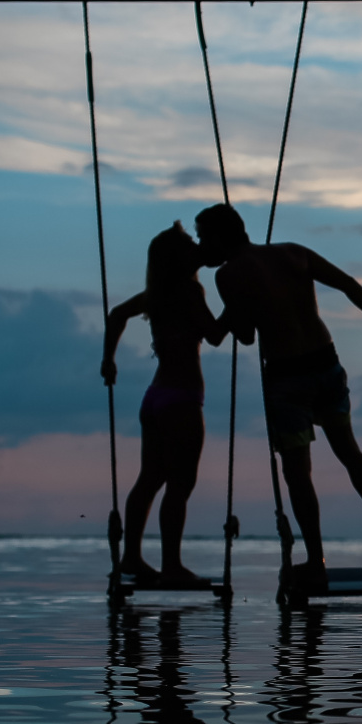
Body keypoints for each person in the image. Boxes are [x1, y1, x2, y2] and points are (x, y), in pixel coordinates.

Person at [194, 203, 362, 589]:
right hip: (326, 363)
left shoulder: (228, 275)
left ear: (221, 238)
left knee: (297, 473)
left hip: (287, 377)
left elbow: (245, 336)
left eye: (202, 237)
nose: (199, 245)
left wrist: (228, 308)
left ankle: (315, 559)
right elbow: (348, 284)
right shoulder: (293, 252)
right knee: (348, 451)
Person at [101, 222, 229, 584]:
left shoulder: (157, 293)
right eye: (190, 244)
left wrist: (108, 358)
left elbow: (116, 315)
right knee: (180, 484)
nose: (196, 248)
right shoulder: (189, 291)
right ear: (179, 257)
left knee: (150, 479)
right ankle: (171, 564)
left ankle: (132, 558)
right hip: (182, 399)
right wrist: (238, 304)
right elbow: (216, 336)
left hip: (154, 398)